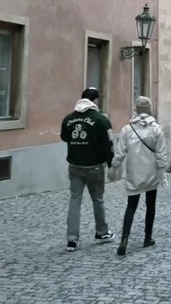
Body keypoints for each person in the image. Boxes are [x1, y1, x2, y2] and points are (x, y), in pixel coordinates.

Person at [107, 96, 167, 256]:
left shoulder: (127, 129)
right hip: (151, 173)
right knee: (151, 205)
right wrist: (163, 175)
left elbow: (120, 153)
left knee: (131, 206)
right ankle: (147, 237)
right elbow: (161, 155)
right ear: (149, 109)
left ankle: (124, 239)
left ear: (136, 109)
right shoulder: (156, 129)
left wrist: (113, 168)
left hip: (134, 173)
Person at [60, 87, 115, 252]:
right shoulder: (101, 120)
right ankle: (101, 232)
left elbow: (64, 137)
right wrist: (112, 166)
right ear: (95, 100)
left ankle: (72, 239)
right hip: (95, 166)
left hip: (75, 166)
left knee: (74, 201)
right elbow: (109, 145)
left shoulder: (68, 119)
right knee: (97, 199)